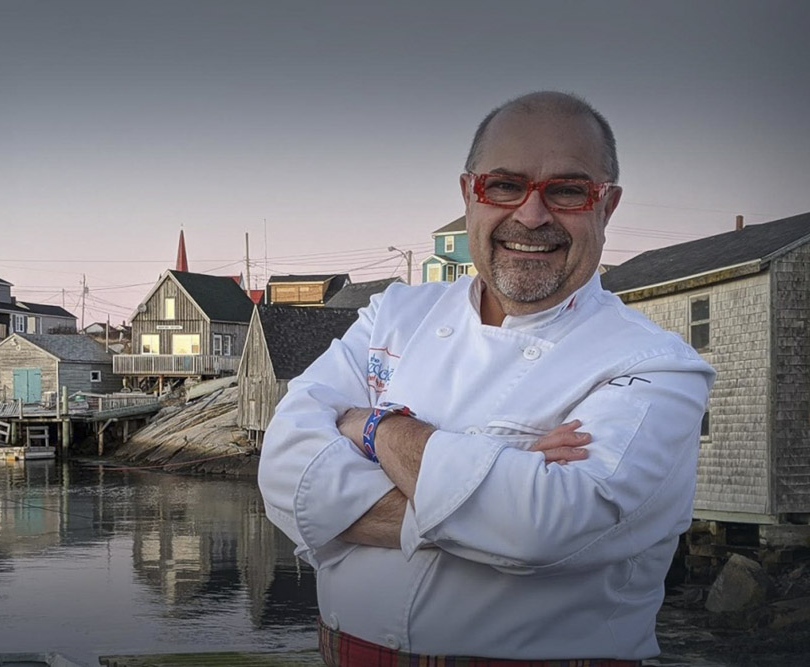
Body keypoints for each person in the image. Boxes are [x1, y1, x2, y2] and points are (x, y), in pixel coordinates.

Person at [257, 91, 716, 665]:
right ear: (468, 194)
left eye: (568, 190)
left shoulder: (655, 365)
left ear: (608, 206)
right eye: (504, 185)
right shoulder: (394, 313)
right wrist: (492, 476)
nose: (531, 215)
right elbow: (281, 466)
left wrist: (369, 427)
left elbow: (541, 527)